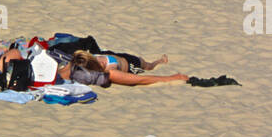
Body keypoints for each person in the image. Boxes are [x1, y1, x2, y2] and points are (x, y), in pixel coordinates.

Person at [56, 50, 189, 87]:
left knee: (148, 66)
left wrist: (171, 78)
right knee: (145, 67)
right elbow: (139, 80)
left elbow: (141, 80)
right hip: (124, 62)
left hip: (126, 60)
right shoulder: (78, 61)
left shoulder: (109, 71)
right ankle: (158, 61)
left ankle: (159, 61)